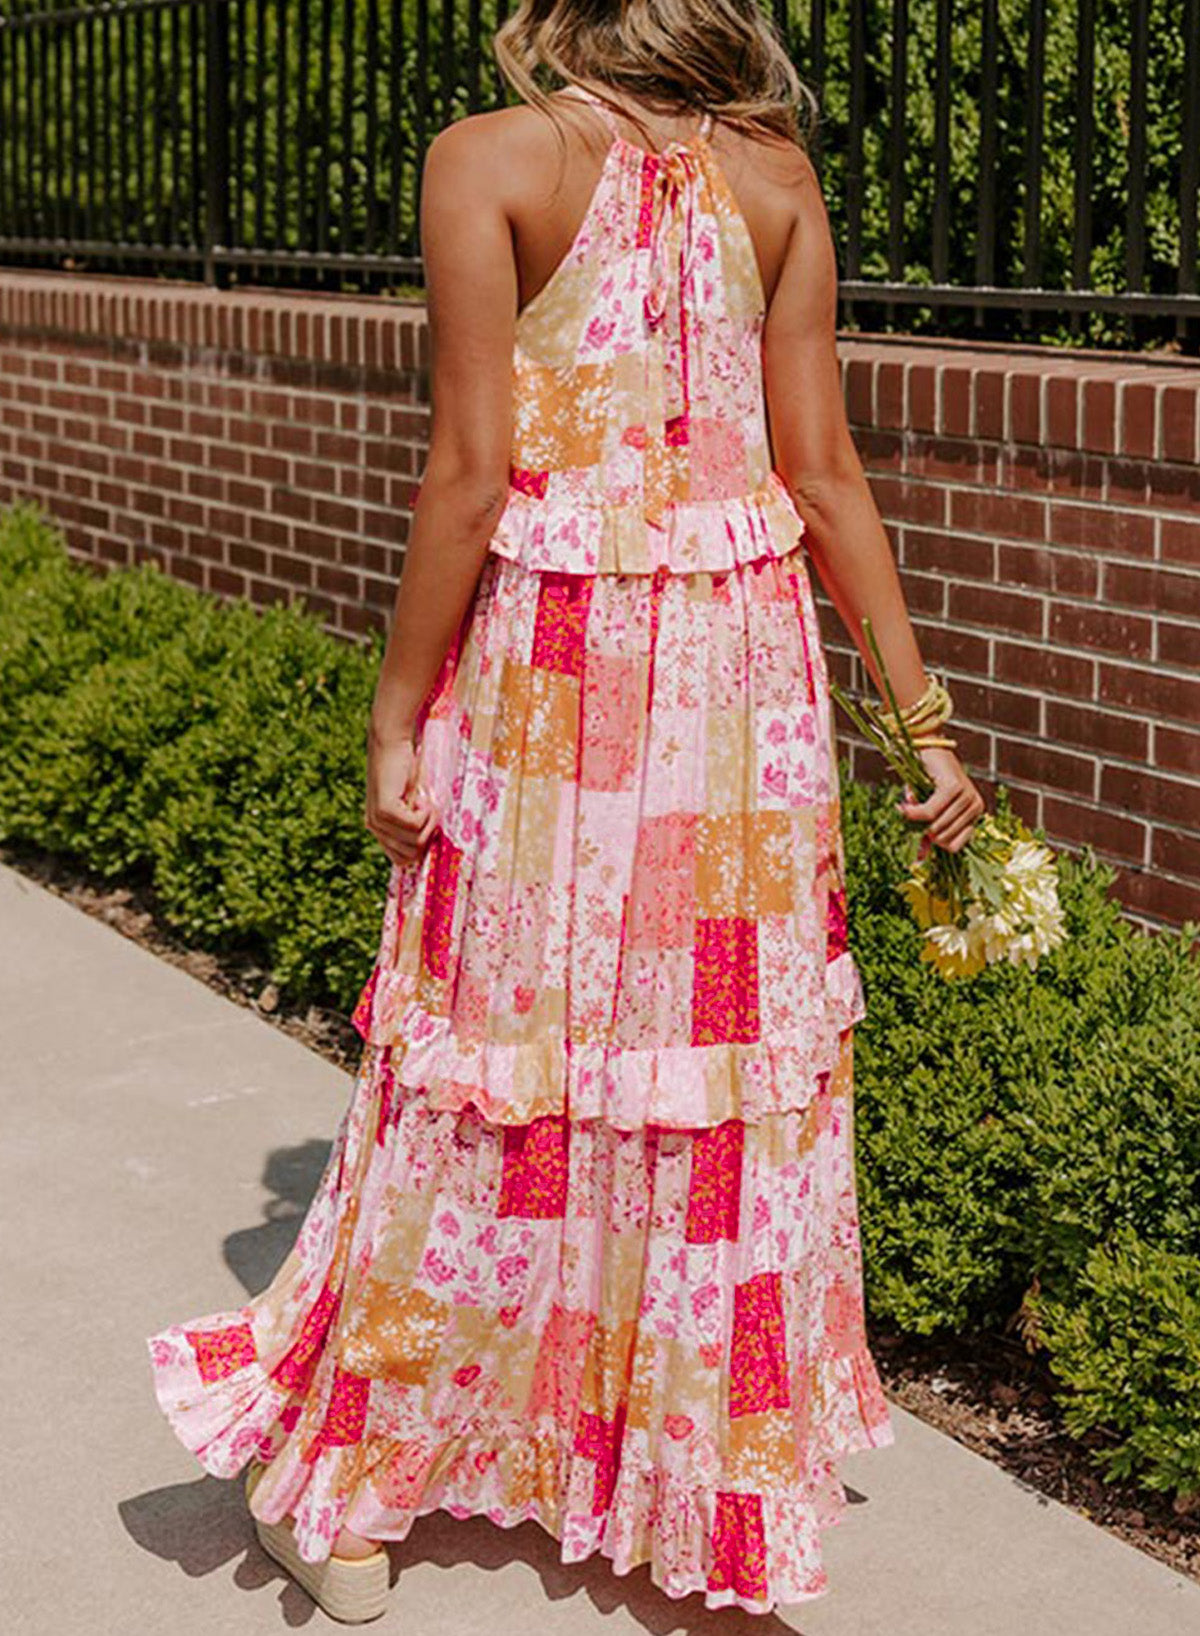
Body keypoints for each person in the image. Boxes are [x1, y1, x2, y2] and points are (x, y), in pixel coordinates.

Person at [146, 0, 986, 1622]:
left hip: (555, 685)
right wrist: (921, 729)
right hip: (742, 702)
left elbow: (471, 467)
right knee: (703, 1070)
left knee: (494, 1062)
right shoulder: (777, 178)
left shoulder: (489, 161)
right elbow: (825, 476)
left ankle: (365, 1489)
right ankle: (665, 1465)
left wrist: (395, 713)